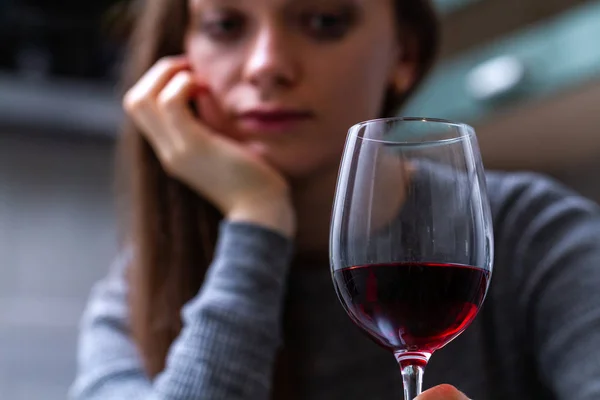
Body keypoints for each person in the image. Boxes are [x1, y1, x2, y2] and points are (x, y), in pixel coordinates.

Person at [69, 0, 600, 399]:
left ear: (405, 57)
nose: (266, 65)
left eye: (324, 21)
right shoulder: (136, 298)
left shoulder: (536, 237)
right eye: (226, 26)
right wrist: (258, 217)